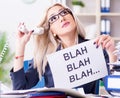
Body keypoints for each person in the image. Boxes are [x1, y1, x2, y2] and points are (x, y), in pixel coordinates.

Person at [10, 3, 117, 94]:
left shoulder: (96, 48)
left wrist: (112, 54)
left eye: (64, 12)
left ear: (73, 17)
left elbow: (114, 90)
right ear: (52, 31)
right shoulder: (45, 56)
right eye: (53, 18)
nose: (61, 18)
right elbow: (19, 89)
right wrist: (20, 46)